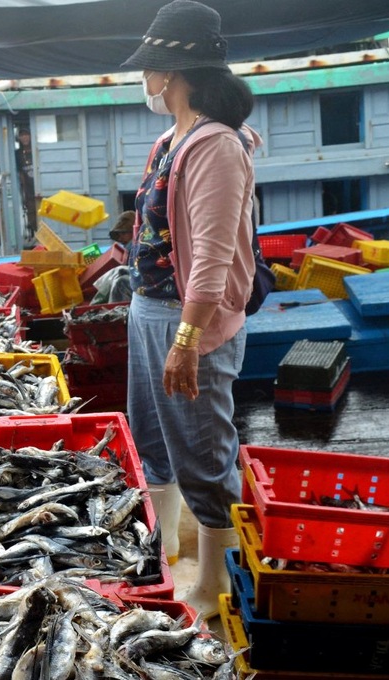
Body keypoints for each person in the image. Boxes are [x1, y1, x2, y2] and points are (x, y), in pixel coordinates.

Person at [120, 0, 259, 618]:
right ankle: (169, 549)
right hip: (148, 309)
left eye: (147, 68)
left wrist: (186, 340)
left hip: (189, 321)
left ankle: (215, 585)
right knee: (153, 440)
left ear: (169, 74)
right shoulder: (167, 140)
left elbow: (212, 253)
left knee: (203, 454)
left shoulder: (216, 145)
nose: (143, 78)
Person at [15, 126, 38, 243]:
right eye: (22, 135)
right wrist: (23, 190)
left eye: (26, 134)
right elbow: (20, 173)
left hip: (40, 187)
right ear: (18, 138)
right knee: (31, 213)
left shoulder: (37, 149)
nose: (24, 137)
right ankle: (35, 235)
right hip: (28, 189)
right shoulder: (18, 154)